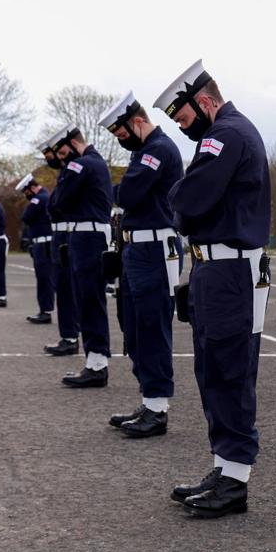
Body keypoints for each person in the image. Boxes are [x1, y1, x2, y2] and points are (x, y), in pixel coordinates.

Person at [153, 60, 271, 518]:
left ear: (204, 102)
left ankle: (236, 480)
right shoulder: (219, 134)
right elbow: (187, 202)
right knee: (212, 371)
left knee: (230, 371)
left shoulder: (227, 134)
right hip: (214, 270)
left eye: (184, 119)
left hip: (231, 271)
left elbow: (187, 199)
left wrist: (182, 203)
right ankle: (224, 467)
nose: (184, 130)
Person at [98, 91, 184, 438]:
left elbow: (128, 195)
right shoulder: (143, 152)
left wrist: (121, 190)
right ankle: (149, 399)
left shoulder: (158, 149)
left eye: (122, 134)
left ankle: (158, 408)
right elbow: (124, 193)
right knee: (132, 326)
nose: (121, 141)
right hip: (136, 249)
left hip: (155, 249)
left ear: (136, 121)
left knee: (151, 327)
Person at [50, 126, 113, 387]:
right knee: (87, 299)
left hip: (88, 237)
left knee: (89, 300)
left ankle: (97, 364)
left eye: (63, 151)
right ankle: (94, 361)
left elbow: (58, 202)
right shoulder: (91, 163)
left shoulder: (81, 165)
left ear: (74, 143)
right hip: (88, 236)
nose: (62, 158)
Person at [37, 138, 81, 356]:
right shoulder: (65, 174)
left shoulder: (73, 172)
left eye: (51, 155)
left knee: (67, 288)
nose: (50, 160)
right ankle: (68, 335)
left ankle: (71, 336)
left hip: (67, 233)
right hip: (60, 234)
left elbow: (58, 204)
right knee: (62, 288)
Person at [16, 173, 54, 324]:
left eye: (26, 192)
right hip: (42, 243)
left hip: (44, 244)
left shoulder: (40, 198)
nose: (27, 196)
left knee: (45, 279)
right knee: (45, 278)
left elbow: (26, 216)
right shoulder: (44, 197)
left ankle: (46, 311)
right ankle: (45, 310)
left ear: (32, 188)